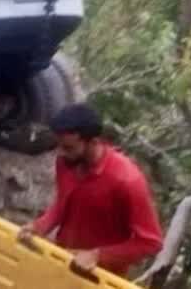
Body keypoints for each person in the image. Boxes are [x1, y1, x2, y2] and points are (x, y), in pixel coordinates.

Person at [17, 103, 163, 276]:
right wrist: (39, 226)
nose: (60, 153)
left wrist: (98, 255)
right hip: (63, 263)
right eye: (59, 146)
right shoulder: (66, 163)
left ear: (93, 142)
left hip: (101, 277)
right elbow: (64, 204)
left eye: (68, 148)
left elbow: (151, 242)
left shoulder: (127, 181)